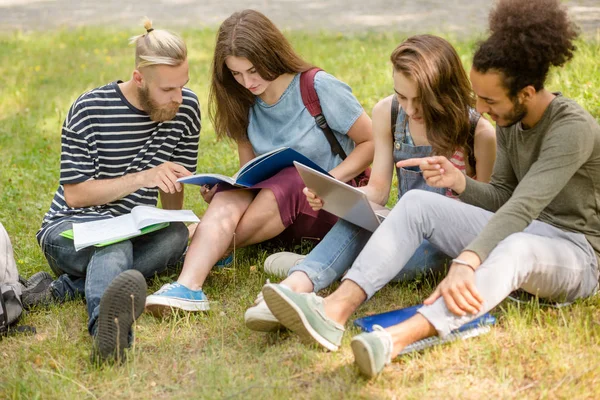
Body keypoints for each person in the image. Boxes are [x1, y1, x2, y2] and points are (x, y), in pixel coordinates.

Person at [261, 0, 600, 378]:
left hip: (575, 250)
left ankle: (396, 339)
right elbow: (500, 197)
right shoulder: (509, 122)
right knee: (418, 201)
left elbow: (521, 206)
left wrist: (466, 261)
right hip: (518, 230)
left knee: (517, 246)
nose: (483, 111)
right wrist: (460, 183)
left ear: (527, 92)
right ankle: (334, 310)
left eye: (490, 100)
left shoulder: (572, 128)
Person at [244, 34, 496, 332]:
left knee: (399, 251)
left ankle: (322, 264)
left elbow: (488, 209)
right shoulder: (388, 113)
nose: (411, 109)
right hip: (402, 224)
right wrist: (338, 197)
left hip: (442, 244)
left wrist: (458, 182)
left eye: (421, 100)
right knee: (360, 217)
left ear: (445, 90)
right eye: (403, 96)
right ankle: (294, 285)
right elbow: (377, 190)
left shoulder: (477, 132)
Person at [144, 9, 373, 315]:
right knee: (233, 193)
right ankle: (189, 287)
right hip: (276, 215)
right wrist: (225, 187)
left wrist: (327, 181)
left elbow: (371, 142)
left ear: (271, 54)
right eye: (236, 74)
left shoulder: (317, 87)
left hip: (330, 206)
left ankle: (203, 248)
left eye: (253, 70)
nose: (247, 82)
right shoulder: (243, 100)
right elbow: (249, 177)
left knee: (294, 177)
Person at [36, 19, 200, 363]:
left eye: (182, 86)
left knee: (174, 236)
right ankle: (106, 332)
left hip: (134, 227)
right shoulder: (89, 109)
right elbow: (76, 195)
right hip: (69, 228)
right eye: (168, 90)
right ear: (139, 78)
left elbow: (173, 190)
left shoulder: (186, 109)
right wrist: (143, 178)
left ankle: (68, 289)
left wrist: (178, 213)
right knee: (114, 244)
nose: (178, 98)